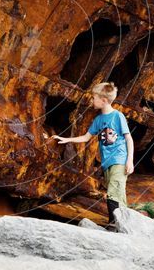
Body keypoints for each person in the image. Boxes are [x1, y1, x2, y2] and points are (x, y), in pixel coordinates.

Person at [52, 81, 134, 229]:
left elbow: (128, 138)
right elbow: (86, 137)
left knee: (112, 192)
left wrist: (130, 161)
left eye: (93, 98)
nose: (91, 100)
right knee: (117, 192)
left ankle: (113, 224)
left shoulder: (118, 116)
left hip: (119, 159)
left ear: (103, 100)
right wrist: (66, 139)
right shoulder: (98, 120)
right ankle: (124, 224)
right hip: (107, 162)